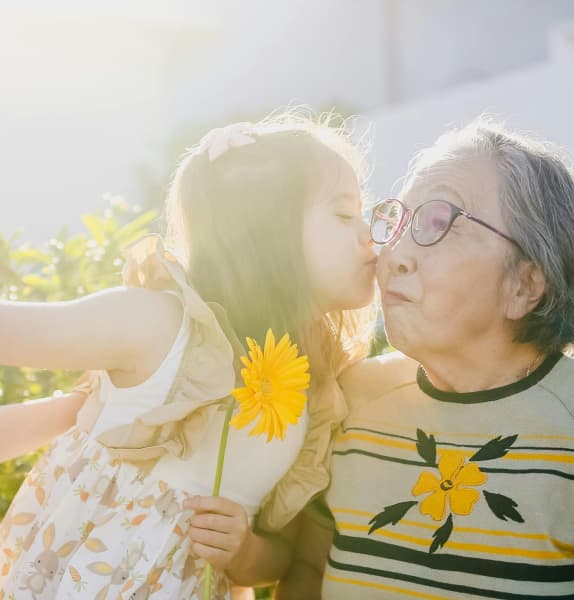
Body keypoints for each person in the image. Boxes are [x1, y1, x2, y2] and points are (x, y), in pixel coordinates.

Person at [283, 118, 574, 599]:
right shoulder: (350, 400)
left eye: (437, 222)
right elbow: (305, 573)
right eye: (398, 221)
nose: (395, 255)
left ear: (525, 285)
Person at [0, 112, 377, 599]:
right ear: (266, 233)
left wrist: (243, 551)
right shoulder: (161, 326)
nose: (369, 234)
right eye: (345, 214)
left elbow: (279, 555)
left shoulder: (314, 387)